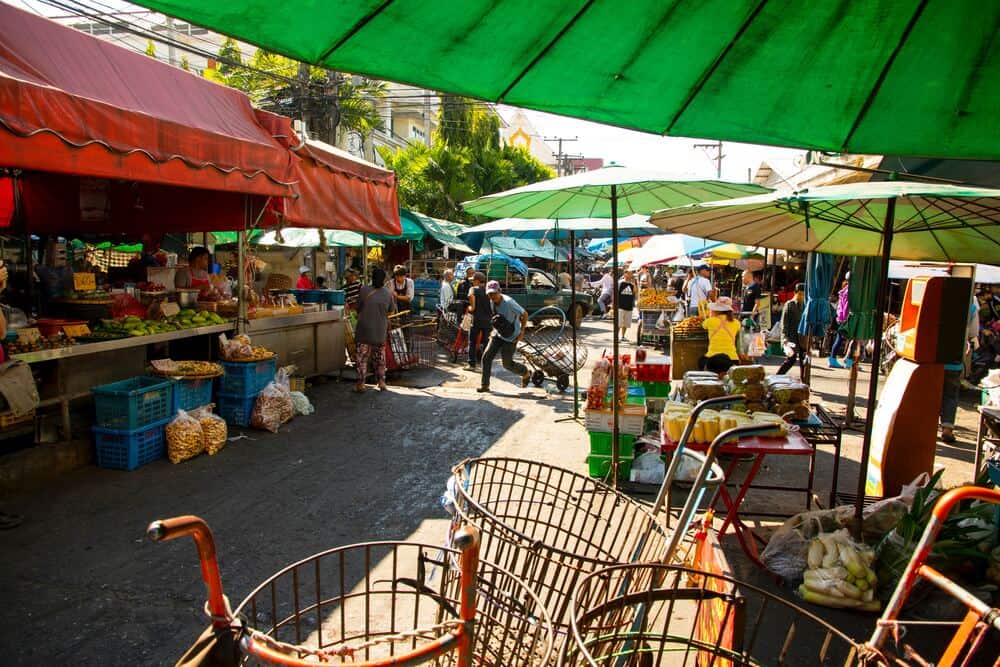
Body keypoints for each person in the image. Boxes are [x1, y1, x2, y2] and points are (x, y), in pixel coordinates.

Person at [478, 281, 530, 392]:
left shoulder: (509, 302)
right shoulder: (491, 302)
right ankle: (485, 385)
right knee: (486, 357)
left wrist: (522, 331)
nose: (492, 296)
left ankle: (525, 372)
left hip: (511, 337)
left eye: (494, 293)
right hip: (497, 334)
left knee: (507, 364)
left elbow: (524, 314)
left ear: (499, 291)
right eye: (489, 294)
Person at [940, 298, 980, 443]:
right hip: (955, 358)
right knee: (950, 394)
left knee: (933, 394)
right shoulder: (971, 305)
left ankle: (929, 427)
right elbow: (973, 332)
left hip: (933, 358)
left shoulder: (939, 297)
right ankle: (947, 428)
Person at [354, 267, 395, 393]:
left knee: (362, 358)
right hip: (379, 331)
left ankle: (361, 384)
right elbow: (391, 310)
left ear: (372, 278)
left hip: (364, 330)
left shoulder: (364, 290)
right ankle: (381, 382)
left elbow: (358, 307)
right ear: (384, 279)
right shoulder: (388, 294)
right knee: (380, 358)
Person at [700, 296, 741, 373]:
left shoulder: (710, 321)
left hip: (713, 359)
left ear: (716, 310)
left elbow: (703, 325)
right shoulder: (736, 323)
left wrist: (711, 316)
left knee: (701, 361)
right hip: (733, 359)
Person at [777, 283, 807, 377]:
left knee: (805, 361)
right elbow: (784, 323)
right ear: (795, 293)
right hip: (791, 337)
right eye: (800, 294)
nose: (801, 296)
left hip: (803, 337)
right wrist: (784, 338)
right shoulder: (789, 305)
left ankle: (805, 382)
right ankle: (777, 377)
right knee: (791, 360)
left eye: (803, 294)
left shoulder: (807, 305)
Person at [466, 272, 492, 369]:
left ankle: (471, 364)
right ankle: (486, 364)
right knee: (487, 342)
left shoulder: (473, 289)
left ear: (477, 281)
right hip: (488, 321)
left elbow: (472, 308)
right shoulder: (489, 290)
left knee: (472, 342)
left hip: (476, 320)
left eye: (473, 280)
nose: (472, 282)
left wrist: (469, 307)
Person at [828, 273, 851, 368]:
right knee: (851, 339)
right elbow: (846, 306)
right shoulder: (849, 291)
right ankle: (849, 361)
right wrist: (846, 318)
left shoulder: (844, 289)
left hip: (840, 317)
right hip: (845, 318)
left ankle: (834, 360)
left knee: (841, 339)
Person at [617, 269, 637, 340]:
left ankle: (623, 336)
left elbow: (635, 292)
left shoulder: (632, 284)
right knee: (619, 323)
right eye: (629, 273)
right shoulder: (620, 283)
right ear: (625, 274)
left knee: (626, 323)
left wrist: (634, 283)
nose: (630, 275)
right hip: (620, 306)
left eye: (631, 273)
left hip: (629, 306)